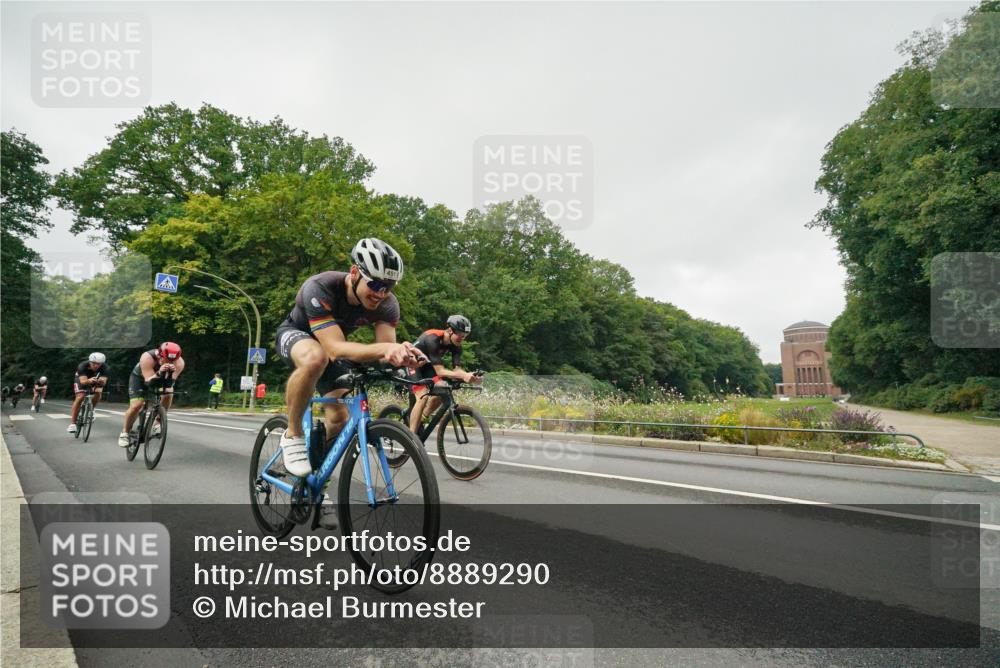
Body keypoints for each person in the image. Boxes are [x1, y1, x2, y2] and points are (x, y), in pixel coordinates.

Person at [275, 238, 423, 529]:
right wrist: (384, 351)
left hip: (336, 346)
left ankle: (317, 488)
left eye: (388, 287)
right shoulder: (320, 287)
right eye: (376, 284)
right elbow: (334, 349)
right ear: (355, 273)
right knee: (315, 358)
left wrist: (403, 356)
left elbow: (384, 351)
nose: (381, 293)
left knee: (340, 419)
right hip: (298, 335)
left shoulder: (387, 305)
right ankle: (292, 434)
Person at [407, 315, 481, 434]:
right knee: (423, 396)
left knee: (443, 388)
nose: (462, 339)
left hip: (427, 365)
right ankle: (409, 439)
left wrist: (469, 376)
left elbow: (457, 370)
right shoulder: (433, 339)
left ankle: (422, 418)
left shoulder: (456, 346)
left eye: (465, 336)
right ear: (450, 330)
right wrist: (463, 376)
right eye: (460, 335)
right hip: (412, 363)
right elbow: (440, 371)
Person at [119, 343, 185, 447]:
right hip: (140, 379)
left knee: (168, 392)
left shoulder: (179, 363)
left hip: (159, 380)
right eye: (167, 359)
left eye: (172, 361)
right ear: (160, 355)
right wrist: (159, 372)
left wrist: (170, 374)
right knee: (137, 405)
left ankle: (158, 421)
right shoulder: (147, 357)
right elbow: (148, 381)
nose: (170, 362)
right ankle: (125, 433)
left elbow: (169, 383)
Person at [68, 353, 109, 432]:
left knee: (98, 392)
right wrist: (89, 380)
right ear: (90, 362)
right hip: (82, 379)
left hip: (95, 379)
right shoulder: (82, 366)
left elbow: (104, 383)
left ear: (102, 363)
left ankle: (91, 410)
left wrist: (101, 381)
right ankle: (73, 424)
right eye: (93, 363)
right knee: (80, 396)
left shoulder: (105, 368)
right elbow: (83, 382)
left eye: (98, 364)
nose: (96, 366)